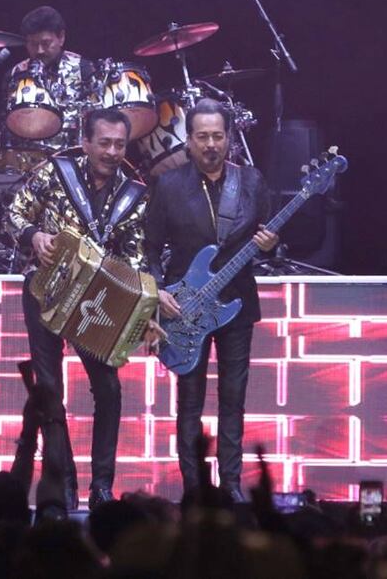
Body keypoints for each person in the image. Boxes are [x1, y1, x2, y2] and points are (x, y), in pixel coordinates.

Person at [5, 107, 149, 510]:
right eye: (103, 143)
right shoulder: (55, 172)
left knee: (110, 389)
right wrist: (34, 235)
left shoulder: (134, 193)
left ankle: (101, 486)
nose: (111, 151)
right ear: (85, 142)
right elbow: (14, 212)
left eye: (119, 144)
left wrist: (137, 306)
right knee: (50, 392)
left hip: (97, 305)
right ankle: (62, 483)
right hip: (45, 293)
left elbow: (136, 259)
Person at [142, 98, 278, 503]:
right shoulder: (168, 185)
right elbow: (149, 248)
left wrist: (270, 246)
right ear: (189, 140)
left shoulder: (251, 181)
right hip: (184, 308)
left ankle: (232, 485)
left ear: (229, 138)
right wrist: (157, 292)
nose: (210, 144)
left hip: (237, 305)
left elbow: (268, 243)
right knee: (190, 402)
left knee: (233, 399)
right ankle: (194, 488)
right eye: (202, 136)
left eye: (218, 136)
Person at [8, 5, 95, 148]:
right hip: (26, 157)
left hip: (73, 156)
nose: (39, 50)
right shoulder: (16, 74)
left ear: (61, 37)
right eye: (33, 44)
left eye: (45, 43)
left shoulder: (83, 69)